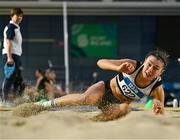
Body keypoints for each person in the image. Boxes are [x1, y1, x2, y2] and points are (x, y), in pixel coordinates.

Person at [36, 49, 169, 121]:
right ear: (144, 62)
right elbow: (101, 62)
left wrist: (158, 109)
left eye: (156, 68)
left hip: (115, 105)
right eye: (149, 64)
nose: (150, 69)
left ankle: (91, 122)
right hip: (105, 89)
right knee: (85, 99)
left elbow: (160, 112)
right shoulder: (132, 66)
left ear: (160, 73)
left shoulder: (156, 88)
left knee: (125, 109)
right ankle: (45, 105)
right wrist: (118, 68)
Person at [0, 8, 24, 107]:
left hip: (16, 55)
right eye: (17, 15)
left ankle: (16, 100)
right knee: (9, 77)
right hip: (11, 55)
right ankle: (4, 100)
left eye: (21, 16)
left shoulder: (16, 27)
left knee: (18, 80)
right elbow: (8, 42)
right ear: (12, 16)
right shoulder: (11, 27)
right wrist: (10, 58)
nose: (19, 17)